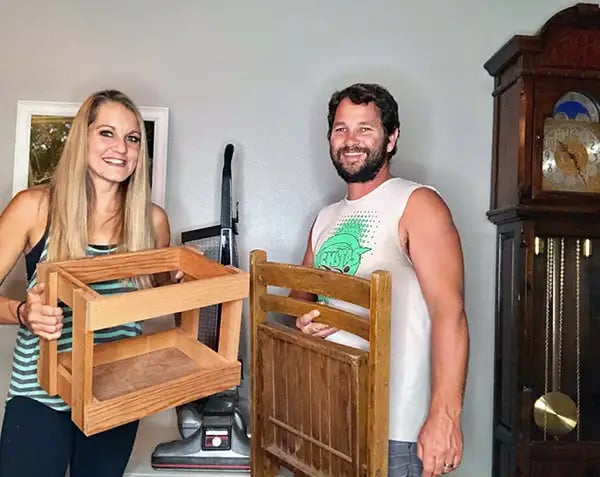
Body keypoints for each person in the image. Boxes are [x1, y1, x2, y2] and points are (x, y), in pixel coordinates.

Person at [294, 83, 469, 477]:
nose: (351, 140)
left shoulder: (418, 203)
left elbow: (450, 313)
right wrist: (304, 318)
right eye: (341, 129)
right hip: (331, 425)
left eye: (365, 128)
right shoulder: (323, 219)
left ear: (391, 138)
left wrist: (445, 417)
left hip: (398, 433)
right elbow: (299, 303)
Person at [0, 89, 174, 477]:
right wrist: (23, 312)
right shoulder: (34, 208)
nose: (121, 148)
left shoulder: (153, 221)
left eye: (132, 138)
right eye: (107, 133)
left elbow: (162, 303)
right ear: (84, 137)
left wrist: (180, 282)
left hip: (117, 395)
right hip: (39, 394)